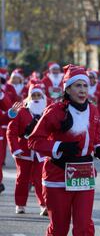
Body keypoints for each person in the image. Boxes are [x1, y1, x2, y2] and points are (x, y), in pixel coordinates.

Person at [28, 65, 100, 236]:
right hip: (57, 175)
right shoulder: (55, 111)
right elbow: (34, 141)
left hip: (84, 174)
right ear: (68, 88)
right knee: (59, 229)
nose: (82, 90)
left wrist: (99, 147)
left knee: (84, 227)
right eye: (78, 85)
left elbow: (94, 136)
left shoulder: (92, 110)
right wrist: (59, 147)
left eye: (85, 85)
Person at [6, 84, 48, 215]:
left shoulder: (47, 112)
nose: (36, 98)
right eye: (33, 95)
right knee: (22, 179)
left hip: (41, 152)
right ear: (29, 97)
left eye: (38, 95)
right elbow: (11, 132)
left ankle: (44, 205)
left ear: (42, 96)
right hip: (24, 152)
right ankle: (20, 204)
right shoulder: (21, 112)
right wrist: (15, 149)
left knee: (41, 179)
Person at [87, 70, 100, 136]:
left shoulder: (98, 85)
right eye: (88, 77)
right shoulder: (84, 85)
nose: (90, 79)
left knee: (99, 122)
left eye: (91, 77)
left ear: (94, 78)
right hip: (86, 108)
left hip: (98, 108)